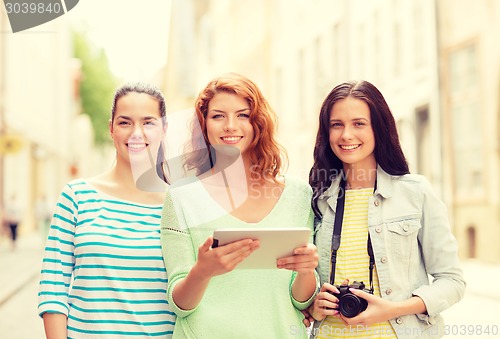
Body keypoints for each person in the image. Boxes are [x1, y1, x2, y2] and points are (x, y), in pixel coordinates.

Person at [160, 73, 319, 338]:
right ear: (204, 125)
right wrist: (202, 272)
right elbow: (180, 305)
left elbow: (301, 301)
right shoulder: (181, 197)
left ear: (258, 124)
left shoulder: (298, 195)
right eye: (218, 116)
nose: (230, 126)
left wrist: (306, 271)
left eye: (243, 115)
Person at [305, 80, 465, 338]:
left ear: (378, 128)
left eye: (359, 123)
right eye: (337, 125)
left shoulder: (415, 192)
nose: (346, 135)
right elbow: (301, 286)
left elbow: (452, 282)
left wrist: (393, 309)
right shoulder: (316, 199)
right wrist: (314, 304)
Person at [38, 83, 176, 338]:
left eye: (148, 123)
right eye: (125, 122)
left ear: (164, 129)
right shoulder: (76, 197)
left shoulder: (178, 207)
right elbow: (53, 291)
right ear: (111, 128)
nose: (136, 133)